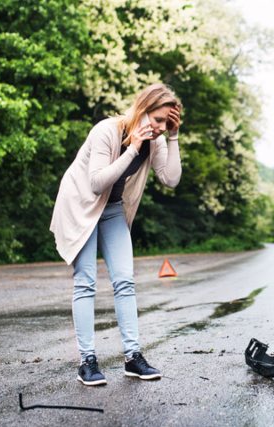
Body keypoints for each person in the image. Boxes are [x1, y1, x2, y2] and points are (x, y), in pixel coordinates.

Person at [50, 83, 182, 386]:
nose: (160, 127)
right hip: (81, 206)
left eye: (167, 122)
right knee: (86, 282)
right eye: (158, 120)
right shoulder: (107, 130)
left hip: (111, 210)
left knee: (125, 280)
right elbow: (97, 182)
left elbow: (170, 179)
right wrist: (133, 148)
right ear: (142, 109)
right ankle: (88, 361)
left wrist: (173, 137)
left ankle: (133, 357)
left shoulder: (158, 140)